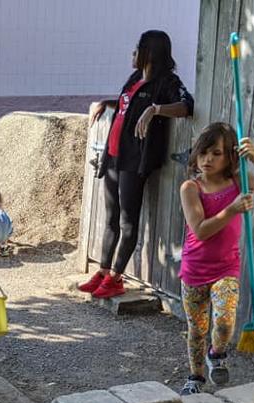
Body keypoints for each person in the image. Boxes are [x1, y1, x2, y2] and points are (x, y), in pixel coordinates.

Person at [79, 30, 194, 298]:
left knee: (128, 221)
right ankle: (103, 272)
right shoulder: (134, 78)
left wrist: (156, 109)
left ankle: (117, 278)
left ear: (149, 52)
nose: (132, 54)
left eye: (137, 49)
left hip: (135, 159)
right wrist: (107, 103)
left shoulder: (167, 82)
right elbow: (127, 105)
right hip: (114, 156)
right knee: (111, 218)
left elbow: (187, 106)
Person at [177, 122, 254, 395]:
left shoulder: (239, 181)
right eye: (203, 153)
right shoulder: (191, 187)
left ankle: (217, 353)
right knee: (196, 330)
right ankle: (196, 377)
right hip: (194, 270)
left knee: (224, 322)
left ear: (230, 157)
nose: (207, 159)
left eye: (216, 153)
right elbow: (200, 231)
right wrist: (232, 209)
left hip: (226, 268)